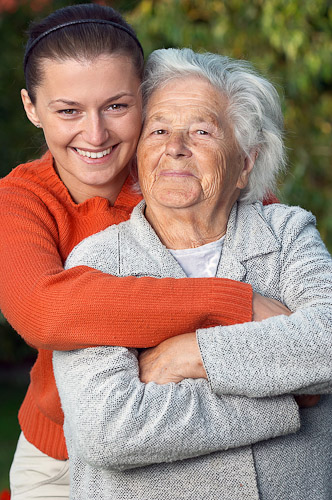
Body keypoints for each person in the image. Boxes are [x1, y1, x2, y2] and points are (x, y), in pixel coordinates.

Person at [0, 4, 283, 499]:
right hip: (60, 454)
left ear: (145, 99)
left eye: (117, 106)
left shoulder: (189, 174)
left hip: (200, 428)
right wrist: (230, 302)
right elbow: (46, 310)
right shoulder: (20, 200)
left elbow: (273, 262)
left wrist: (187, 349)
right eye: (68, 111)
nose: (95, 134)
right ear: (31, 107)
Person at [53, 48, 332, 500]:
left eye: (201, 131)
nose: (175, 147)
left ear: (244, 163)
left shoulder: (285, 233)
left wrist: (191, 355)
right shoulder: (98, 262)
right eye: (159, 129)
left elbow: (328, 341)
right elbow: (109, 429)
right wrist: (284, 396)